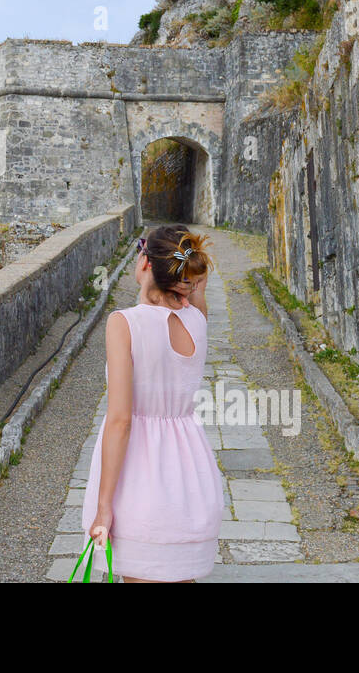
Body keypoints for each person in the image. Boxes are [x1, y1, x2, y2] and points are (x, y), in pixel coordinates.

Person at [80, 225, 224, 582]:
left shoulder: (124, 324)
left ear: (144, 262)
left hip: (141, 481)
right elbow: (197, 299)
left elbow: (120, 421)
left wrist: (103, 508)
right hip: (191, 479)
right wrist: (195, 284)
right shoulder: (197, 321)